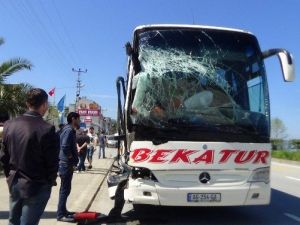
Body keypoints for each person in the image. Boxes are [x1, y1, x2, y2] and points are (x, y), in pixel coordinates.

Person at [0, 88, 59, 225]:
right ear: (44, 105)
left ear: (28, 103)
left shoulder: (9, 125)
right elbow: (52, 161)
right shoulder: (47, 128)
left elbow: (4, 156)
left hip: (15, 181)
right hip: (37, 185)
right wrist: (50, 180)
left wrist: (10, 176)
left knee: (13, 221)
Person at [57, 112, 80, 222]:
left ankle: (63, 210)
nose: (79, 121)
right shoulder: (69, 130)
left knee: (65, 189)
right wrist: (71, 158)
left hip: (65, 163)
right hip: (66, 164)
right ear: (73, 119)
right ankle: (61, 215)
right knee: (65, 189)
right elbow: (65, 146)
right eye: (78, 119)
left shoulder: (66, 129)